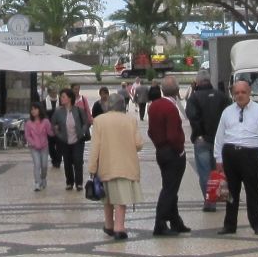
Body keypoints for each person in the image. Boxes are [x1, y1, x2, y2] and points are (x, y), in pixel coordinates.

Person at [212, 79, 258, 235]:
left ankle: (257, 223)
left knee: (253, 191)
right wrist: (218, 158)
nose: (240, 95)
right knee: (231, 192)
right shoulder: (227, 112)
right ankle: (230, 224)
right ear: (233, 94)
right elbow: (219, 136)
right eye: (236, 93)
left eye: (243, 92)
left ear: (249, 92)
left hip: (250, 154)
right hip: (230, 154)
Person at [86, 94, 143, 240]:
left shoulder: (99, 121)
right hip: (126, 165)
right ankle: (119, 227)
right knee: (121, 199)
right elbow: (138, 144)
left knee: (107, 197)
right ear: (122, 105)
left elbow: (95, 147)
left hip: (106, 165)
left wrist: (92, 168)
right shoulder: (131, 120)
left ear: (108, 105)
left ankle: (109, 225)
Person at [147, 82, 191, 236]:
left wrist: (159, 144)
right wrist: (179, 150)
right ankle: (160, 223)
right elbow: (173, 135)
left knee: (170, 187)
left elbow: (150, 131)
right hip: (173, 152)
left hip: (161, 151)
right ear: (177, 91)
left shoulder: (154, 106)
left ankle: (175, 221)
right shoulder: (171, 108)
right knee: (170, 189)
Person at [185, 74, 224, 208]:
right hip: (220, 140)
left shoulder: (194, 98)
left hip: (202, 140)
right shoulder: (222, 96)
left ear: (198, 82)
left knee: (204, 172)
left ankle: (210, 201)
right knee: (217, 170)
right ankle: (217, 196)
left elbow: (191, 116)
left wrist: (199, 133)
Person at [53, 87, 92, 190]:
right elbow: (53, 124)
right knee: (67, 161)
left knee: (78, 160)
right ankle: (69, 182)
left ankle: (79, 183)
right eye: (60, 97)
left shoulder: (79, 110)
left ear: (70, 98)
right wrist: (58, 132)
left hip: (78, 140)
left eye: (63, 96)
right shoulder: (58, 112)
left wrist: (82, 131)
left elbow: (86, 122)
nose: (61, 98)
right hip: (64, 140)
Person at [22, 102, 54, 192]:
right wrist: (32, 143)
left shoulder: (46, 121)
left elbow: (50, 132)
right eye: (32, 109)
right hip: (34, 147)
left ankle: (43, 178)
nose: (33, 111)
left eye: (35, 109)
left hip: (44, 147)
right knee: (37, 164)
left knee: (44, 165)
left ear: (39, 110)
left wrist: (55, 130)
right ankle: (37, 183)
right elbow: (27, 135)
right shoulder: (28, 123)